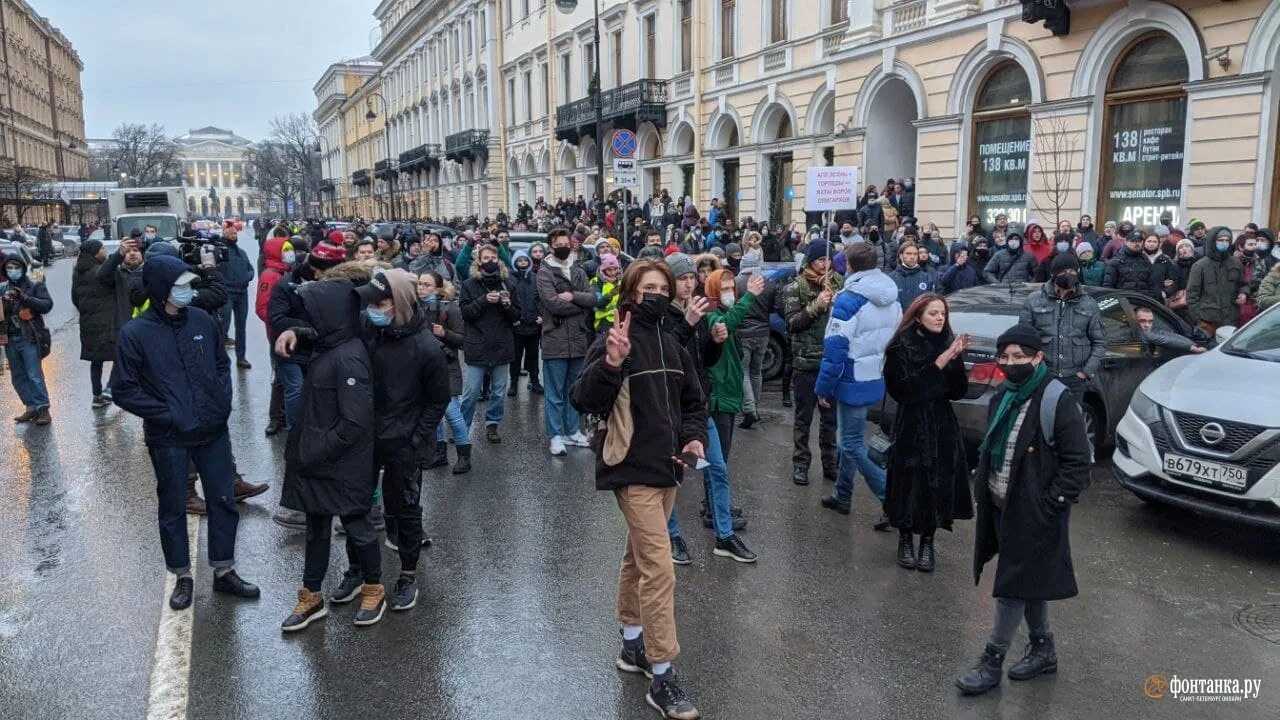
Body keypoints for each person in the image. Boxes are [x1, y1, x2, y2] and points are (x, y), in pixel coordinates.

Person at [570, 259, 709, 720]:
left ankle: (631, 645)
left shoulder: (674, 344)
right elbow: (584, 399)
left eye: (662, 287)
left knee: (638, 558)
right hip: (630, 468)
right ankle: (663, 675)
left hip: (669, 468)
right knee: (660, 567)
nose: (656, 294)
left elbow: (693, 402)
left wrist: (694, 438)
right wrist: (611, 361)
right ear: (630, 292)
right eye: (647, 287)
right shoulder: (613, 340)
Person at [110, 254, 259, 611]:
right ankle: (182, 576)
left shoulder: (203, 320)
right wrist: (169, 415)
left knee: (223, 500)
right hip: (169, 437)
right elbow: (123, 389)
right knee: (174, 506)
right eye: (181, 286)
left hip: (212, 431)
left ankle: (225, 572)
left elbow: (222, 366)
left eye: (190, 285)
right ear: (161, 290)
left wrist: (220, 401)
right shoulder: (135, 333)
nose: (189, 291)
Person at [955, 323, 1091, 696]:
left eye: (1020, 357)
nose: (1011, 363)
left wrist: (1052, 504)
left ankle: (991, 661)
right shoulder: (1003, 396)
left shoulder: (1056, 399)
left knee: (1011, 586)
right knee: (1029, 580)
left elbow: (1078, 460)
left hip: (1036, 511)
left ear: (1038, 357)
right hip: (1002, 505)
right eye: (1006, 356)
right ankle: (1043, 648)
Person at [278, 279, 383, 631]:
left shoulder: (350, 358)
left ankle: (373, 588)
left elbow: (355, 423)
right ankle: (311, 595)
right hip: (320, 460)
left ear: (332, 315)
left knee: (358, 527)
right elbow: (313, 339)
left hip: (340, 462)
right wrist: (296, 332)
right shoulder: (331, 344)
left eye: (312, 313)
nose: (307, 318)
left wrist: (313, 452)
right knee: (317, 529)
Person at [356, 269, 450, 612]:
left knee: (405, 511)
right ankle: (360, 573)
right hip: (367, 439)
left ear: (399, 304)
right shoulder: (368, 332)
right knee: (358, 507)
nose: (373, 310)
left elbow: (437, 400)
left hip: (404, 444)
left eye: (381, 304)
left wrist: (415, 438)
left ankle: (408, 576)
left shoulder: (426, 347)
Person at [882, 294, 972, 572]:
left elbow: (958, 392)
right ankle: (906, 538)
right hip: (911, 423)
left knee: (938, 482)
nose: (940, 318)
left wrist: (955, 361)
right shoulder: (900, 346)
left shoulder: (949, 342)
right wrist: (941, 362)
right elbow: (903, 391)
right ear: (919, 315)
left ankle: (928, 542)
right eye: (933, 313)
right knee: (909, 480)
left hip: (941, 424)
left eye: (943, 313)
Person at [815, 243, 902, 525]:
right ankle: (842, 493)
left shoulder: (849, 299)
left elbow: (836, 348)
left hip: (851, 377)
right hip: (874, 373)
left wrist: (822, 388)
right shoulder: (890, 295)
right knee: (848, 437)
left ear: (850, 267)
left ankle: (891, 498)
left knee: (850, 443)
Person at [785, 240, 839, 485]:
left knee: (830, 420)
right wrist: (816, 306)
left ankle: (830, 464)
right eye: (820, 260)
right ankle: (801, 465)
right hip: (806, 362)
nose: (825, 264)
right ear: (810, 261)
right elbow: (793, 323)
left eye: (828, 259)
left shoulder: (840, 283)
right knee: (803, 418)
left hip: (831, 362)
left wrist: (839, 305)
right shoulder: (796, 286)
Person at [538, 227, 596, 455]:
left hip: (579, 339)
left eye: (567, 243)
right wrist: (579, 306)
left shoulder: (578, 270)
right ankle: (555, 435)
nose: (564, 247)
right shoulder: (544, 273)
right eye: (559, 243)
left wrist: (573, 296)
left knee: (574, 390)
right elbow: (552, 304)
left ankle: (572, 431)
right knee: (554, 393)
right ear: (551, 245)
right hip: (555, 339)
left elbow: (592, 298)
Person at [1019, 254, 1105, 403]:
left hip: (1074, 379)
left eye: (1073, 272)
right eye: (1064, 272)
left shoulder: (1088, 304)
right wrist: (1033, 369)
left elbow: (1100, 342)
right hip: (1042, 376)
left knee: (1070, 423)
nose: (1069, 276)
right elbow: (1023, 339)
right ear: (1053, 274)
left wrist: (1085, 373)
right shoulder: (1034, 300)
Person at [459, 243, 519, 444]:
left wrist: (508, 305)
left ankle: (492, 424)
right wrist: (484, 300)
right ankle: (462, 427)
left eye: (493, 258)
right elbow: (466, 313)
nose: (490, 262)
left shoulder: (508, 283)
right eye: (486, 258)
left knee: (499, 391)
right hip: (478, 344)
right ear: (479, 261)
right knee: (471, 392)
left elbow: (517, 316)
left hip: (502, 345)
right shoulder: (469, 285)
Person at [418, 271, 472, 474]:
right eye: (420, 284)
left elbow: (462, 339)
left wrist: (444, 333)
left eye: (427, 285)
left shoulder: (450, 308)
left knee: (451, 412)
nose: (422, 288)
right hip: (424, 368)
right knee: (433, 412)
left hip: (446, 367)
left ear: (438, 288)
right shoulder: (416, 307)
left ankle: (464, 455)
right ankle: (439, 453)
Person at [3, 252, 53, 425]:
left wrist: (25, 298)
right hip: (9, 338)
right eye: (9, 268)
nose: (13, 271)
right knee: (18, 376)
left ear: (23, 268)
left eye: (16, 267)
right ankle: (30, 407)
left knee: (34, 374)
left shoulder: (34, 286)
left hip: (29, 337)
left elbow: (47, 305)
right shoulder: (3, 288)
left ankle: (43, 408)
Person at [733, 252, 781, 429]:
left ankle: (749, 409)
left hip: (743, 333)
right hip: (763, 333)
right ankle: (756, 407)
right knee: (756, 371)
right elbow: (777, 307)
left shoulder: (736, 283)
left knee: (743, 371)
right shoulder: (768, 283)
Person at [71, 239, 116, 408]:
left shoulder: (77, 272)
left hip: (88, 322)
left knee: (96, 361)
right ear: (95, 253)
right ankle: (110, 389)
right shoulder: (100, 271)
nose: (104, 251)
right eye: (102, 248)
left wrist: (87, 310)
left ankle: (97, 395)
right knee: (120, 355)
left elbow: (75, 297)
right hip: (107, 322)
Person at [1186, 226, 1247, 335]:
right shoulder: (1200, 266)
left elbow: (1244, 284)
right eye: (1220, 240)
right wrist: (1199, 318)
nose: (1224, 243)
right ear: (1213, 241)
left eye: (1227, 240)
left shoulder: (1236, 263)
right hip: (1208, 322)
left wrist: (1243, 293)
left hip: (1231, 320)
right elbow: (1192, 295)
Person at [219, 229, 255, 369]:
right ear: (225, 235)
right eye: (230, 234)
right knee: (224, 325)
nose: (233, 236)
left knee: (241, 327)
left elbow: (250, 269)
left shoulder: (242, 253)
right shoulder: (221, 252)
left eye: (234, 234)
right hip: (227, 293)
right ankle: (220, 357)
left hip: (242, 293)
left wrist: (247, 276)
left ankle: (241, 357)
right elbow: (216, 271)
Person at [509, 250, 543, 396]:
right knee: (515, 356)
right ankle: (514, 383)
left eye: (525, 260)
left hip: (533, 324)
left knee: (533, 355)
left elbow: (541, 299)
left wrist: (542, 316)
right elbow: (507, 301)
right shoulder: (509, 278)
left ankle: (534, 380)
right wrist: (512, 318)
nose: (522, 263)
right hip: (517, 325)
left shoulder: (535, 278)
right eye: (519, 260)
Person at [1102, 232, 1161, 300]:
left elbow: (1153, 283)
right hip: (1124, 302)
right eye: (1133, 241)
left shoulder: (1145, 260)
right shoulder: (1116, 262)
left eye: (1139, 241)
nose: (1137, 244)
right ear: (1126, 242)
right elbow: (1108, 287)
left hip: (1144, 301)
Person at [888, 241, 938, 308]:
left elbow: (930, 304)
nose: (912, 257)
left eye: (915, 254)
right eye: (908, 254)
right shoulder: (891, 278)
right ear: (901, 256)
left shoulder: (926, 278)